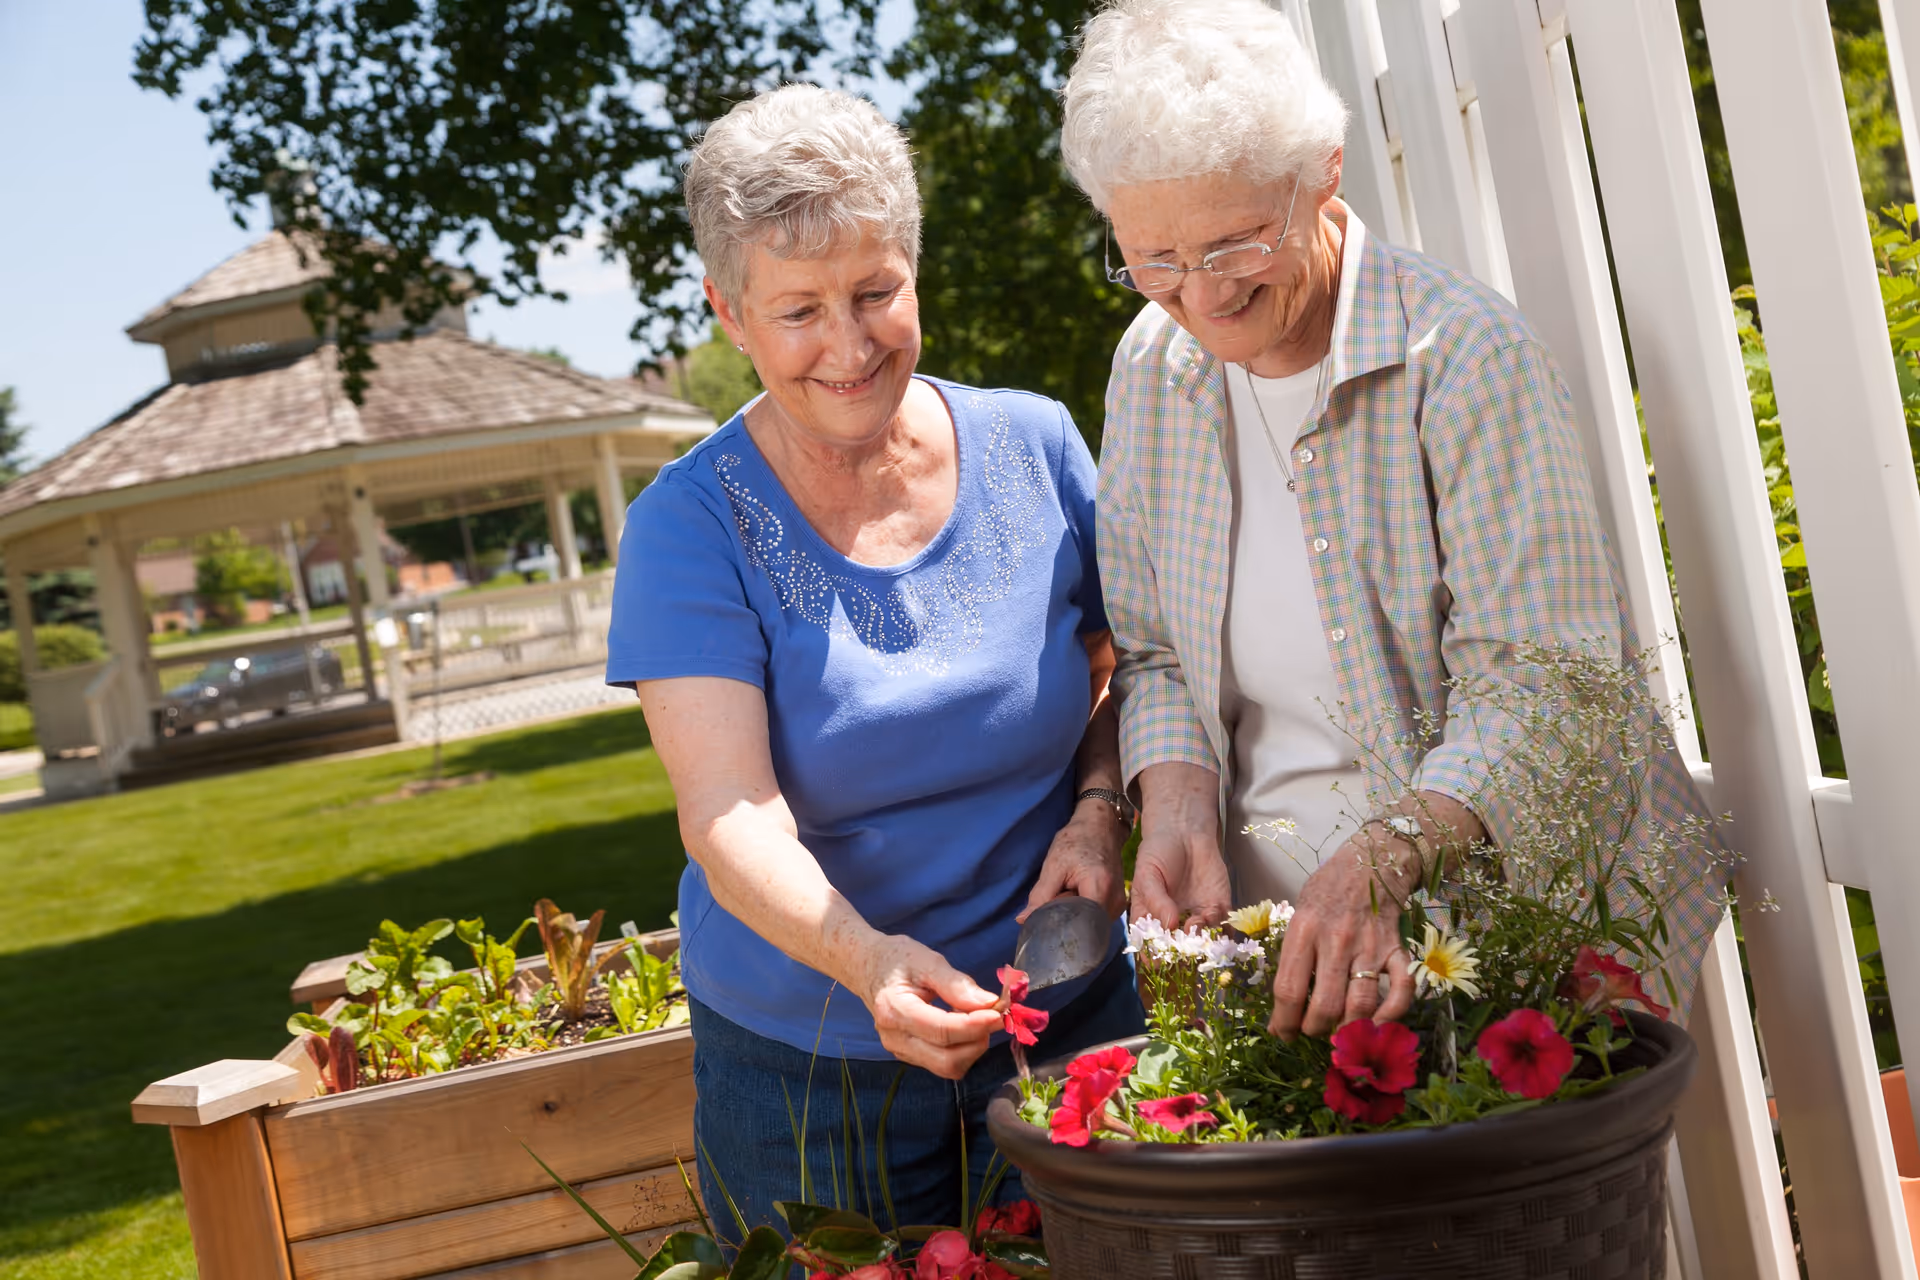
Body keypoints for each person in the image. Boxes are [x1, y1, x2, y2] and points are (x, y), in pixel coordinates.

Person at [1060, 0, 1723, 1041]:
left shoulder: (1460, 356)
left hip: (1500, 930)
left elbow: (1546, 680)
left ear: (1322, 170)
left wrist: (1381, 858)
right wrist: (1180, 799)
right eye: (1154, 259)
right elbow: (1152, 653)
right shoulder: (1152, 367)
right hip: (1285, 947)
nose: (1201, 296)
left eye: (1233, 244)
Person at [606, 83, 1143, 1234]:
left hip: (1066, 1008)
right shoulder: (688, 524)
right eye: (798, 310)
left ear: (916, 270)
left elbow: (1126, 657)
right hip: (812, 1061)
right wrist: (863, 959)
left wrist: (1099, 810)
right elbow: (729, 808)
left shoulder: (1036, 440)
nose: (848, 347)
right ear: (729, 314)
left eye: (875, 292)